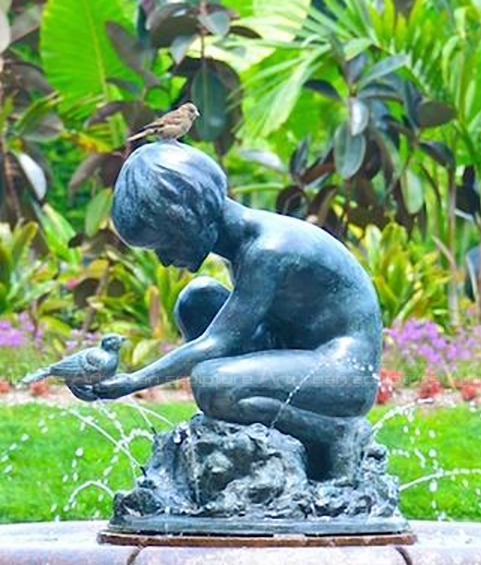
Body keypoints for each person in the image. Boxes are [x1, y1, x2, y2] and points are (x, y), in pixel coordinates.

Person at [71, 142, 382, 480]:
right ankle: (235, 421)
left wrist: (133, 381)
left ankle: (335, 434)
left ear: (187, 220)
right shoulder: (243, 245)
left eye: (164, 244)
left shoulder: (268, 250)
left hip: (344, 372)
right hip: (296, 352)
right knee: (197, 300)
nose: (163, 259)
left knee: (212, 383)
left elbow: (217, 344)